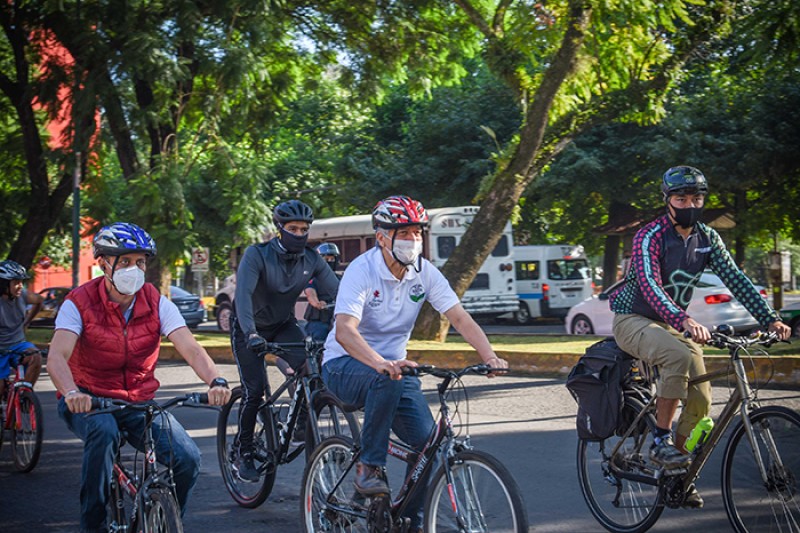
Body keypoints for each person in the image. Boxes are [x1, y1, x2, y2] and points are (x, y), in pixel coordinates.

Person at [321, 195, 509, 531]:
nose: (413, 240)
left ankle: (409, 520)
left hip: (392, 369)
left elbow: (460, 318)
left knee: (428, 446)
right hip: (343, 365)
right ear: (382, 237)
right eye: (404, 232)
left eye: (418, 233)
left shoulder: (425, 273)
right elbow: (345, 332)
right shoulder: (361, 270)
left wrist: (490, 356)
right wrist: (380, 362)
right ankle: (368, 467)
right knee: (387, 377)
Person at [609, 166, 790, 507]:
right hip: (633, 319)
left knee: (702, 402)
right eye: (681, 198)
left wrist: (770, 319)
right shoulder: (649, 236)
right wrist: (684, 319)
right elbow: (649, 285)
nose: (690, 204)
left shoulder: (708, 238)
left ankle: (674, 469)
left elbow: (736, 279)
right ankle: (660, 441)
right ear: (668, 201)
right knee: (677, 357)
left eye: (697, 197)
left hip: (675, 324)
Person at [47, 222, 232, 533]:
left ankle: (165, 519)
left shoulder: (157, 302)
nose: (134, 268)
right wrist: (71, 392)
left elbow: (190, 347)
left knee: (187, 458)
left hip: (139, 403)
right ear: (103, 263)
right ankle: (93, 525)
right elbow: (57, 356)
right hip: (90, 401)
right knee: (104, 433)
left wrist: (216, 381)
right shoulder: (78, 303)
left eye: (141, 262)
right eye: (125, 261)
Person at [231, 200, 339, 482]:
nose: (299, 234)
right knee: (254, 392)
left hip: (282, 325)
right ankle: (244, 451)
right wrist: (251, 334)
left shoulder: (312, 259)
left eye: (304, 229)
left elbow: (339, 292)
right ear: (279, 229)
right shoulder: (257, 254)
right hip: (249, 328)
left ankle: (303, 421)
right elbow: (242, 296)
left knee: (310, 367)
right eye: (293, 228)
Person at [0, 260, 44, 399]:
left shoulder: (22, 295)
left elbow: (39, 300)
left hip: (18, 344)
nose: (20, 286)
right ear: (3, 284)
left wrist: (27, 321)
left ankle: (24, 397)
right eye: (16, 283)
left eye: (21, 282)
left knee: (35, 357)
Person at [303, 242, 341, 341]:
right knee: (319, 338)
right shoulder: (312, 279)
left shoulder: (341, 279)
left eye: (332, 259)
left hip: (338, 319)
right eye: (326, 259)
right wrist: (317, 303)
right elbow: (310, 292)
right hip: (319, 320)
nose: (329, 261)